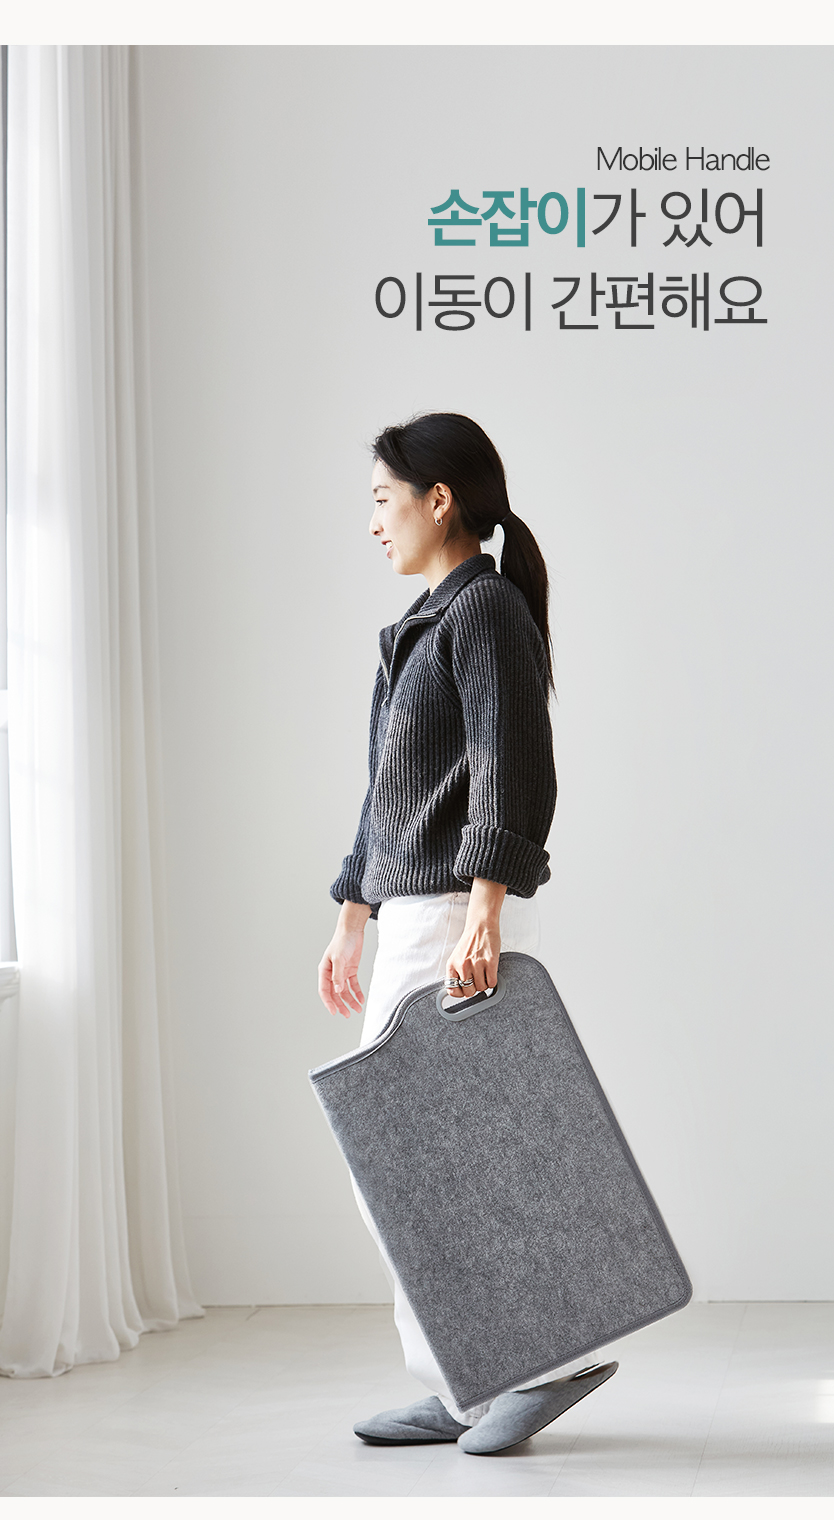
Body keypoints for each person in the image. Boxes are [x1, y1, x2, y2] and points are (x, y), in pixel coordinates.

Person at [317, 413, 617, 1456]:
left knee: (420, 1159)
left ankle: (532, 1366)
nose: (373, 522)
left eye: (381, 499)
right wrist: (350, 914)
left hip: (450, 912)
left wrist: (484, 908)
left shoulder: (484, 609)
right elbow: (386, 793)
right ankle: (465, 1379)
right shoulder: (419, 624)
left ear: (437, 499)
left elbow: (509, 762)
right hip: (413, 912)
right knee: (420, 1160)